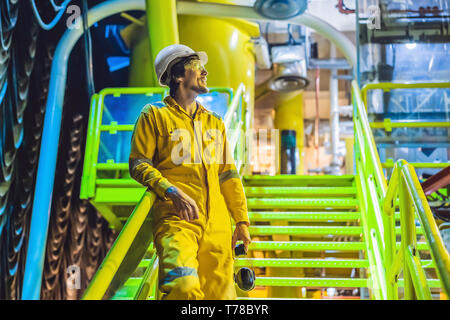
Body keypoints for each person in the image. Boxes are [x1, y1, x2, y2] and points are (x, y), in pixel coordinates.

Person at [129, 44, 251, 300]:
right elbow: (138, 164)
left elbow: (228, 174)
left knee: (222, 298)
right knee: (182, 288)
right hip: (177, 220)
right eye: (197, 65)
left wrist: (241, 221)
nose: (205, 71)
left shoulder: (214, 122)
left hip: (217, 225)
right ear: (178, 75)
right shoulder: (153, 115)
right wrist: (170, 190)